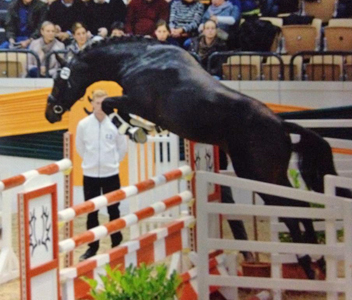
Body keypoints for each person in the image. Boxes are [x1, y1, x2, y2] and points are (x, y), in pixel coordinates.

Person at [76, 89, 127, 261]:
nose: (100, 106)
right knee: (92, 213)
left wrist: (110, 163)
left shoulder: (115, 124)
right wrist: (92, 163)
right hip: (90, 175)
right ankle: (93, 247)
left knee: (114, 210)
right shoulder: (83, 125)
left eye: (104, 103)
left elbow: (122, 148)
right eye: (97, 103)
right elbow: (80, 148)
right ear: (91, 103)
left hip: (111, 175)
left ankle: (116, 244)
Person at [219, 149, 254, 262]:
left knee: (231, 209)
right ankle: (246, 251)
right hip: (203, 167)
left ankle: (245, 250)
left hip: (220, 170)